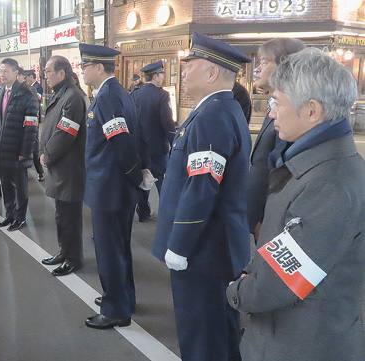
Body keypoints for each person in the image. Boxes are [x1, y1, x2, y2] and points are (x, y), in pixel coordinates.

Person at [227, 47, 365, 361]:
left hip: (301, 344)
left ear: (312, 111)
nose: (271, 112)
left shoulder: (330, 185)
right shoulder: (311, 164)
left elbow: (279, 283)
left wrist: (236, 290)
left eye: (277, 102)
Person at [152, 32, 252, 361]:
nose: (183, 72)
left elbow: (202, 187)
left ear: (211, 73)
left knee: (201, 336)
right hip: (214, 247)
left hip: (202, 250)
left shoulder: (213, 115)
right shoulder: (218, 110)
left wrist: (179, 246)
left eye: (190, 66)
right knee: (219, 333)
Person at [79, 43, 145, 330]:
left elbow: (122, 141)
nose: (81, 70)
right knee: (119, 248)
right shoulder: (116, 92)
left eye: (84, 65)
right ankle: (123, 297)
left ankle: (115, 308)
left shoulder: (107, 96)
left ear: (97, 67)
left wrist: (133, 175)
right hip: (115, 186)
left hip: (110, 187)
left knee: (109, 250)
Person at [247, 38, 305, 241]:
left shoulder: (292, 112)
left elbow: (283, 173)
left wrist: (269, 220)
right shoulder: (274, 105)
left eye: (264, 62)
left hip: (273, 221)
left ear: (284, 64)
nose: (257, 69)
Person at [39, 55, 87, 276]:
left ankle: (73, 257)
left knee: (70, 216)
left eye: (49, 71)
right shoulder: (61, 94)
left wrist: (47, 155)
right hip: (59, 164)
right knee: (61, 214)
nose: (45, 75)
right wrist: (43, 151)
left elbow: (65, 134)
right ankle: (63, 251)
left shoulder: (73, 97)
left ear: (62, 73)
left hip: (69, 167)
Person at [0, 58, 39, 231]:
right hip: (1, 148)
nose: (1, 75)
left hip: (17, 148)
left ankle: (20, 217)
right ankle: (9, 214)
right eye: (0, 71)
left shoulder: (27, 94)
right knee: (5, 184)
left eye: (5, 71)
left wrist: (25, 150)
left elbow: (32, 125)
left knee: (20, 186)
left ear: (16, 72)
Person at [131, 61, 176, 222]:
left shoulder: (135, 94)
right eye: (162, 74)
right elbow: (167, 122)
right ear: (155, 76)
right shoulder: (162, 95)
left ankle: (143, 211)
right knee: (163, 182)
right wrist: (173, 142)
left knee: (143, 179)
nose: (163, 77)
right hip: (158, 147)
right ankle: (166, 214)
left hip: (140, 147)